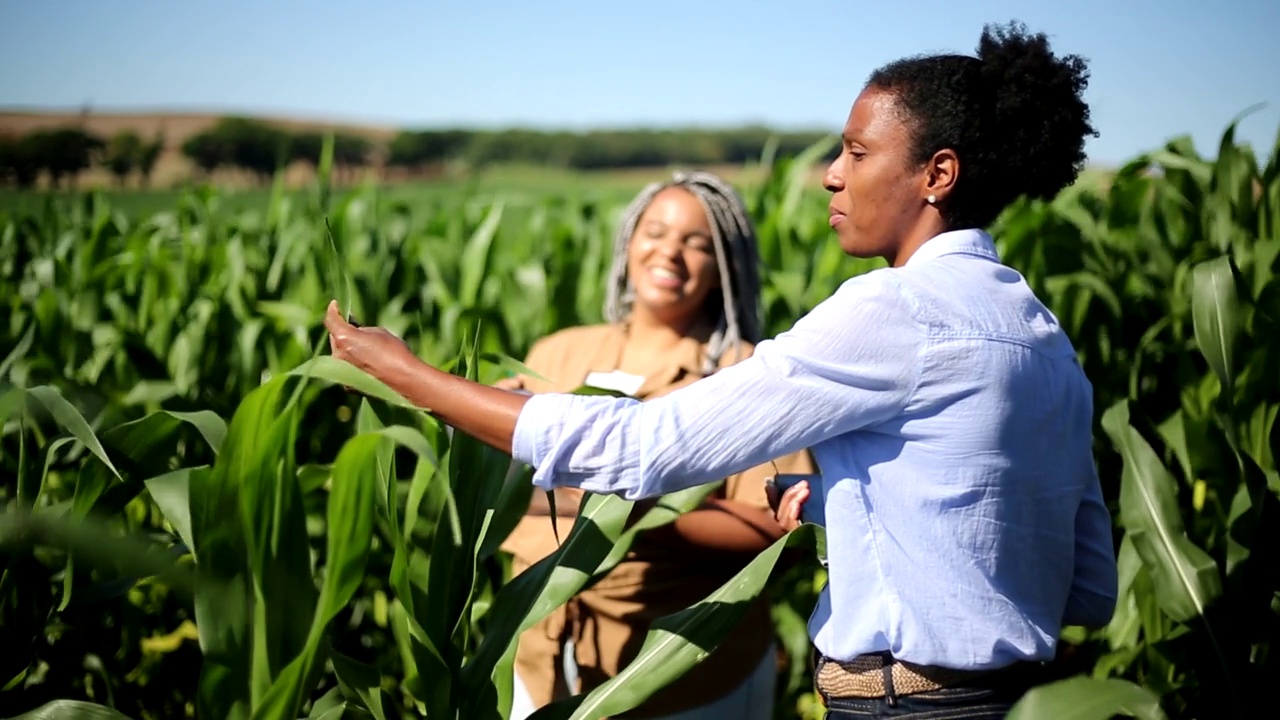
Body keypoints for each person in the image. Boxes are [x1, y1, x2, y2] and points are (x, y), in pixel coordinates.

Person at [323, 20, 1120, 720]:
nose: (831, 175)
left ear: (936, 175)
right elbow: (1085, 585)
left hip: (898, 707)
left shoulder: (896, 310)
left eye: (856, 150)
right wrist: (847, 511)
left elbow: (643, 451)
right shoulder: (1043, 338)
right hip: (1017, 699)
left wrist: (405, 373)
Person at [495, 170, 817, 720]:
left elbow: (777, 528)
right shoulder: (556, 355)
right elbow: (501, 491)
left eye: (697, 244)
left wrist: (632, 510)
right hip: (537, 662)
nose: (670, 252)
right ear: (628, 242)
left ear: (723, 268)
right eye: (656, 231)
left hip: (684, 678)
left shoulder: (746, 376)